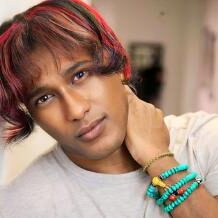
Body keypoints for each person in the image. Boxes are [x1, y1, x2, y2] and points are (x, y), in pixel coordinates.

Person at [0, 0, 218, 217]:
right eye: (45, 97)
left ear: (118, 63)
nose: (75, 111)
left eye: (80, 75)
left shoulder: (204, 141)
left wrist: (159, 159)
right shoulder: (19, 206)